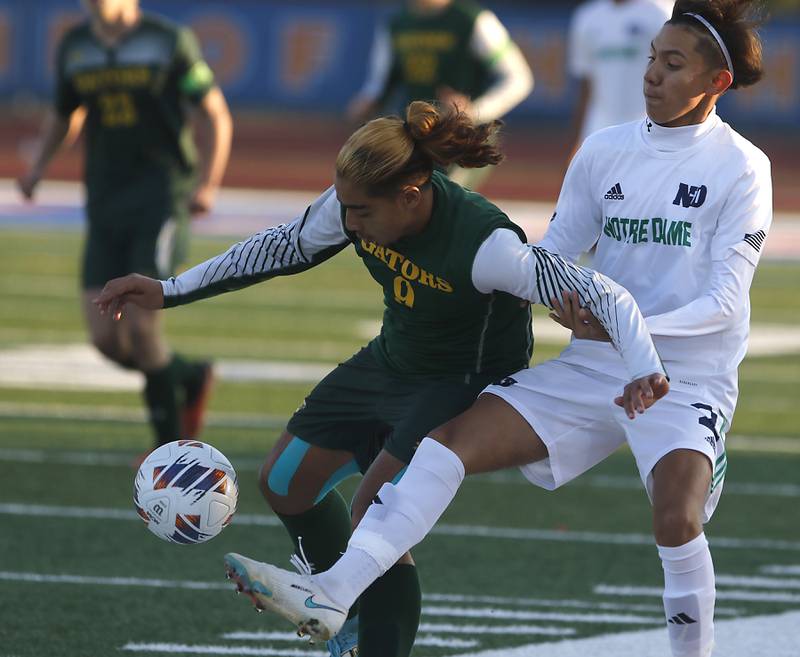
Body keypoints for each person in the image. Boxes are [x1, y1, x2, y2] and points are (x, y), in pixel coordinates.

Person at [229, 2, 771, 657]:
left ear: (716, 83)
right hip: (596, 363)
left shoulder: (742, 167)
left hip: (686, 375)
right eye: (653, 56)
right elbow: (558, 255)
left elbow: (724, 300)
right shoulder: (603, 151)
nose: (651, 73)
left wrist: (629, 328)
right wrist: (550, 293)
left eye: (673, 63)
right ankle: (334, 589)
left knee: (676, 519)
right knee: (446, 442)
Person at [94, 101, 667, 657]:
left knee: (374, 516)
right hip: (392, 360)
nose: (348, 223)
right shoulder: (358, 202)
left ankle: (361, 625)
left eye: (361, 212)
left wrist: (644, 366)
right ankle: (348, 617)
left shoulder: (487, 245)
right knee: (286, 481)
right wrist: (169, 291)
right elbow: (280, 247)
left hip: (460, 383)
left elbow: (601, 292)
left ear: (411, 196)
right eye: (344, 207)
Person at [18, 0, 233, 453]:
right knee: (105, 340)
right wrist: (38, 164)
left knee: (141, 327)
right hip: (103, 198)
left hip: (159, 198)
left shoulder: (169, 41)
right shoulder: (75, 46)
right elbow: (65, 112)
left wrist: (208, 184)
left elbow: (214, 112)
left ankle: (169, 456)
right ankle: (189, 377)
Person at [347, 0, 533, 190]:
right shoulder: (396, 23)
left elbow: (519, 79)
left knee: (440, 200)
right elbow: (378, 85)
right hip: (415, 135)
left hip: (462, 137)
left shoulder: (473, 20)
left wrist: (474, 110)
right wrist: (367, 103)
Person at [566, 0, 673, 161]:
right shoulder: (587, 17)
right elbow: (586, 84)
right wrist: (575, 141)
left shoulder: (661, 13)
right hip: (598, 128)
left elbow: (672, 76)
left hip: (647, 128)